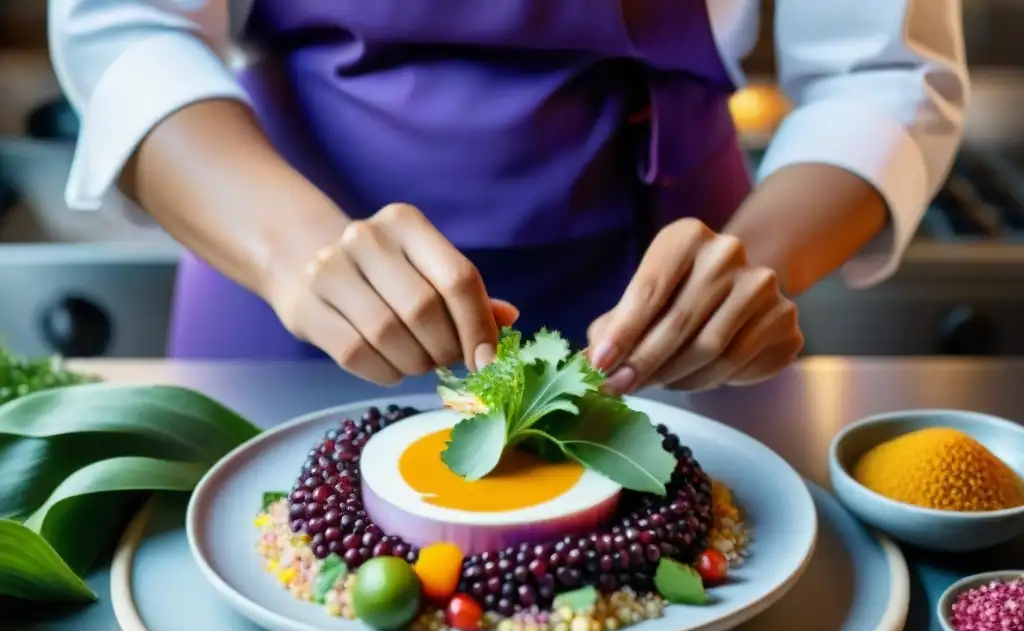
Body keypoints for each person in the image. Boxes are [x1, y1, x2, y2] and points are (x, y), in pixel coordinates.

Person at [50, 0, 968, 394]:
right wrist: (293, 253)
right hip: (286, 276)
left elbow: (879, 71)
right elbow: (125, 24)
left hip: (670, 314)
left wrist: (754, 265)